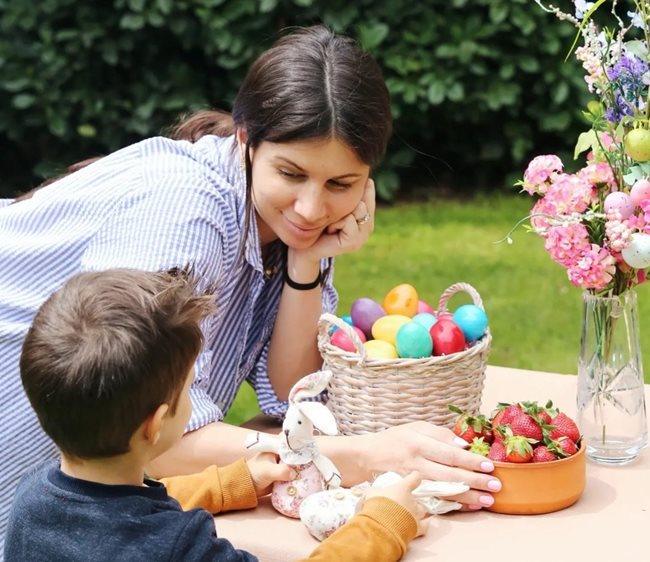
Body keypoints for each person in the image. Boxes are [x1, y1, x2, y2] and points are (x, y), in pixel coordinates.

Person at [0, 24, 501, 546]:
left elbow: (293, 394)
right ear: (245, 138)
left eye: (341, 184)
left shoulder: (288, 225)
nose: (311, 208)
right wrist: (361, 456)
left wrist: (306, 260)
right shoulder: (183, 209)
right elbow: (145, 430)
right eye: (291, 173)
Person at [5, 269, 427, 561]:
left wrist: (229, 484)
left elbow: (119, 512)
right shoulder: (178, 547)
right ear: (155, 424)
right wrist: (384, 521)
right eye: (190, 386)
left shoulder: (31, 502)